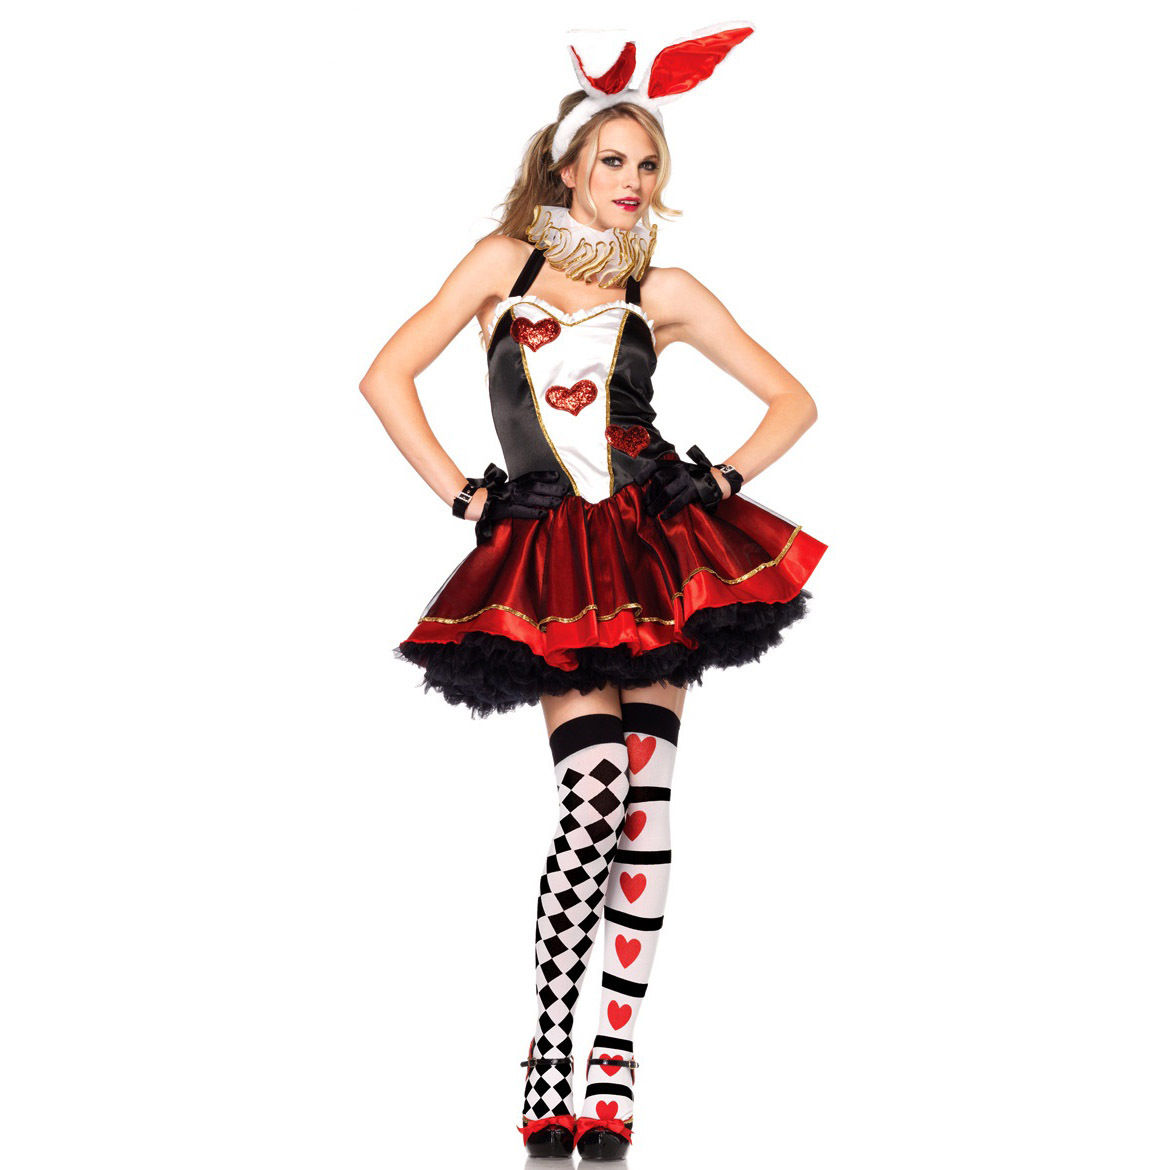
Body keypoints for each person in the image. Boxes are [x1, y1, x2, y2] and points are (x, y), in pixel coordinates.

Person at [359, 23, 828, 1161]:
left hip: (657, 554)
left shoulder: (665, 288)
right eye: (613, 160)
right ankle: (549, 1047)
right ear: (568, 165)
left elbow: (795, 402)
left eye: (648, 164)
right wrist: (466, 497)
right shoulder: (501, 267)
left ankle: (613, 1069)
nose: (632, 180)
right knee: (595, 792)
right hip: (555, 562)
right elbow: (385, 376)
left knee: (647, 805)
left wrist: (718, 478)